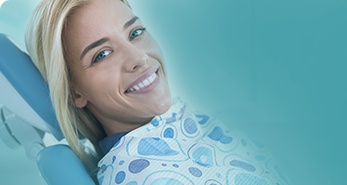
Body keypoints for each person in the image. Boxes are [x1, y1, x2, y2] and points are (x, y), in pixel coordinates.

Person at [25, 0, 288, 184]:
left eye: (135, 32)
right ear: (74, 93)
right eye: (102, 54)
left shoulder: (197, 125)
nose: (139, 58)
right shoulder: (140, 175)